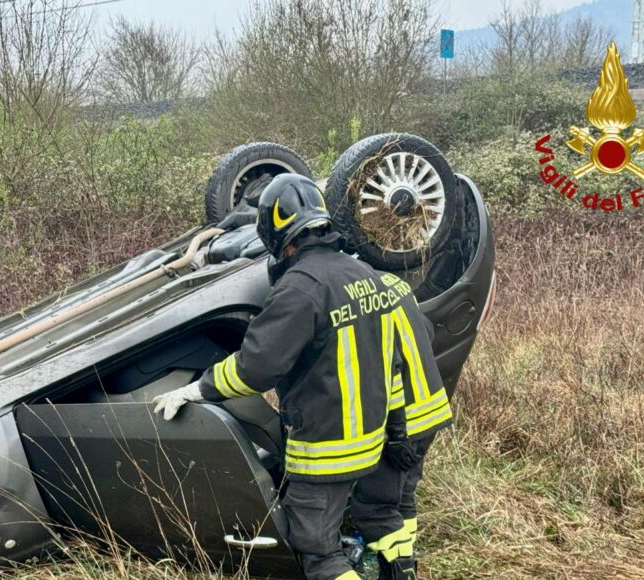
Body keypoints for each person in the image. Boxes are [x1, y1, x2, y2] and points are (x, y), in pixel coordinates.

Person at [152, 174, 451, 580]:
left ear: (277, 238)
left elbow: (256, 367)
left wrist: (199, 388)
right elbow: (398, 357)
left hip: (330, 448)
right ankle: (400, 571)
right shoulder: (365, 274)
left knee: (316, 549)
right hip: (383, 432)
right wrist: (398, 430)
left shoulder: (300, 288)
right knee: (384, 510)